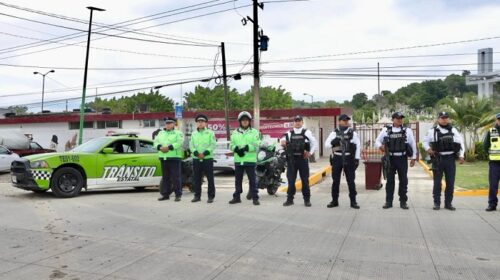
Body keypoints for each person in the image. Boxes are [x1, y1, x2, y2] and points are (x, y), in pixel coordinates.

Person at [423, 112, 465, 211]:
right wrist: (428, 149)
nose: (444, 119)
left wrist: (461, 155)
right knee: (437, 183)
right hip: (438, 159)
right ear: (438, 119)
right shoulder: (432, 131)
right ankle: (436, 203)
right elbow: (425, 141)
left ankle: (448, 203)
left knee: (450, 182)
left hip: (450, 159)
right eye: (442, 118)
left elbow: (460, 143)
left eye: (446, 118)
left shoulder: (453, 130)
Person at [375, 112, 417, 210]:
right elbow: (377, 141)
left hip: (402, 158)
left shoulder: (407, 130)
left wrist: (414, 158)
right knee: (390, 181)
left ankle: (403, 201)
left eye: (401, 118)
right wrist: (380, 146)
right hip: (390, 159)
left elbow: (413, 144)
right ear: (393, 119)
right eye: (397, 118)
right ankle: (388, 201)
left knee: (403, 181)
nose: (400, 120)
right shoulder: (386, 130)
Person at [324, 114, 360, 209]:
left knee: (351, 181)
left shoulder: (352, 133)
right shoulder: (334, 133)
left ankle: (353, 201)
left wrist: (357, 159)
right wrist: (333, 142)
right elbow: (326, 145)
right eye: (344, 120)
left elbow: (358, 146)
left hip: (349, 158)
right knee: (335, 181)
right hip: (337, 158)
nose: (346, 122)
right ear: (339, 121)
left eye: (347, 120)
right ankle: (334, 201)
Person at [280, 115, 318, 207]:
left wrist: (310, 153)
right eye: (296, 121)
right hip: (291, 160)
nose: (297, 122)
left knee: (305, 181)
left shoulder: (307, 132)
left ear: (302, 122)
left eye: (299, 121)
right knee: (291, 181)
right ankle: (290, 199)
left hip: (302, 160)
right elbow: (282, 141)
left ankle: (307, 200)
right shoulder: (289, 132)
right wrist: (283, 143)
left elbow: (314, 143)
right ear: (293, 122)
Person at [228, 111, 262, 206]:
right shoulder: (235, 132)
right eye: (243, 120)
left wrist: (247, 148)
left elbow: (257, 145)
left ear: (249, 121)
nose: (245, 121)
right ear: (240, 121)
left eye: (246, 120)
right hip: (239, 160)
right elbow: (231, 145)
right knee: (238, 180)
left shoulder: (255, 132)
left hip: (250, 160)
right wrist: (236, 149)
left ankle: (255, 198)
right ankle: (237, 197)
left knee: (252, 180)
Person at [154, 117, 184, 202]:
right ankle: (165, 194)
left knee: (176, 177)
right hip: (163, 158)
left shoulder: (178, 133)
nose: (168, 125)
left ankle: (178, 195)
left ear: (174, 124)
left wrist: (169, 147)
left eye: (170, 123)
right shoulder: (160, 133)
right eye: (167, 123)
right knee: (165, 178)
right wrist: (160, 147)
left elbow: (179, 142)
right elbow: (155, 142)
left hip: (174, 158)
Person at [189, 114, 217, 203]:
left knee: (210, 178)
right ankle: (197, 196)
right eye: (199, 122)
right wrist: (197, 153)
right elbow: (191, 145)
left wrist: (204, 153)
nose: (200, 123)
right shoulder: (193, 134)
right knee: (197, 178)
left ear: (205, 123)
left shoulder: (210, 133)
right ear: (197, 123)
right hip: (196, 159)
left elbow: (213, 144)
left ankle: (211, 196)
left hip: (207, 159)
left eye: (202, 122)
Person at [484, 113, 500, 212]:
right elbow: (486, 146)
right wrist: (491, 155)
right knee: (493, 185)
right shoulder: (491, 131)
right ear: (497, 120)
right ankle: (492, 204)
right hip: (494, 163)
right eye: (499, 119)